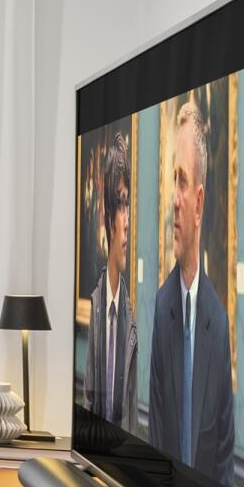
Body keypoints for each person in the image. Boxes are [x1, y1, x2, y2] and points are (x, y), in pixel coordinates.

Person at [144, 97, 236, 486]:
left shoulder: (218, 321)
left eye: (182, 182)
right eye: (172, 182)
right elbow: (154, 446)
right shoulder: (163, 306)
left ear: (198, 204)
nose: (173, 201)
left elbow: (224, 466)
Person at [88, 147, 136, 426]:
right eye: (120, 205)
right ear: (107, 220)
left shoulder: (132, 319)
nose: (127, 221)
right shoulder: (97, 306)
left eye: (128, 205)